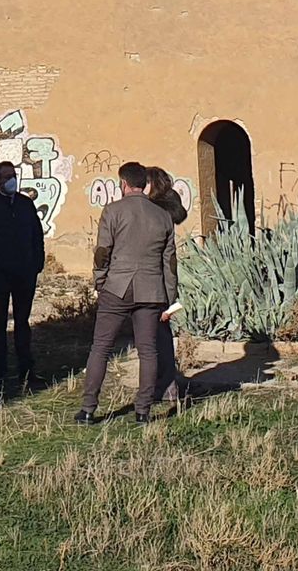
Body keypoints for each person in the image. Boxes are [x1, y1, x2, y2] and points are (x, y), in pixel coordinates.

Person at [76, 161, 178, 425]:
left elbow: (103, 252)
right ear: (145, 183)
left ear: (123, 183)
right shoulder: (163, 216)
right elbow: (169, 262)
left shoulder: (112, 211)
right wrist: (169, 298)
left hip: (117, 287)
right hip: (152, 290)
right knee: (148, 350)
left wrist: (100, 281)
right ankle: (143, 410)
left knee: (101, 347)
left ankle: (88, 408)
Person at [0, 161, 46, 389]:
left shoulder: (25, 205)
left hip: (25, 272)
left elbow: (36, 235)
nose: (11, 180)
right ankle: (0, 369)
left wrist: (37, 263)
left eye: (13, 175)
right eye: (6, 176)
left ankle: (26, 368)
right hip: (0, 274)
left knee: (22, 322)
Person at [146, 166, 190, 404]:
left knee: (157, 337)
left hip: (156, 282)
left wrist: (169, 296)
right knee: (157, 336)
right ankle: (165, 385)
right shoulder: (161, 210)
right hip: (157, 281)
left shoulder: (157, 213)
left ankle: (164, 386)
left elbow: (168, 259)